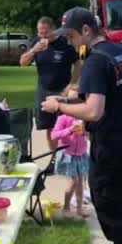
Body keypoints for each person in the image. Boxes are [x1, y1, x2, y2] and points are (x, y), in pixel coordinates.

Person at [41, 7, 122, 244]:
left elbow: (93, 111)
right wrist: (68, 97)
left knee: (110, 204)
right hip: (121, 137)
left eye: (71, 36)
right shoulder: (115, 51)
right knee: (111, 200)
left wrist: (58, 106)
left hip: (110, 142)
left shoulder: (96, 61)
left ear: (86, 30)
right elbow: (104, 95)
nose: (70, 42)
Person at [20, 17, 80, 153]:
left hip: (63, 90)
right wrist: (33, 50)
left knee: (69, 124)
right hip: (44, 90)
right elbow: (22, 63)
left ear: (54, 30)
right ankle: (55, 158)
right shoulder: (36, 42)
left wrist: (72, 84)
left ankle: (70, 155)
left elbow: (77, 63)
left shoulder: (65, 42)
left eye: (45, 32)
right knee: (50, 126)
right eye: (40, 32)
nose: (42, 36)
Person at [49, 84, 90, 219]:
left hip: (81, 154)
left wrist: (86, 132)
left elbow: (89, 133)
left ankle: (79, 207)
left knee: (80, 182)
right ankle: (66, 207)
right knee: (73, 182)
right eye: (71, 100)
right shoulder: (63, 117)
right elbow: (54, 135)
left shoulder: (84, 117)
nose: (75, 104)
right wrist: (69, 130)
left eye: (78, 100)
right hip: (68, 154)